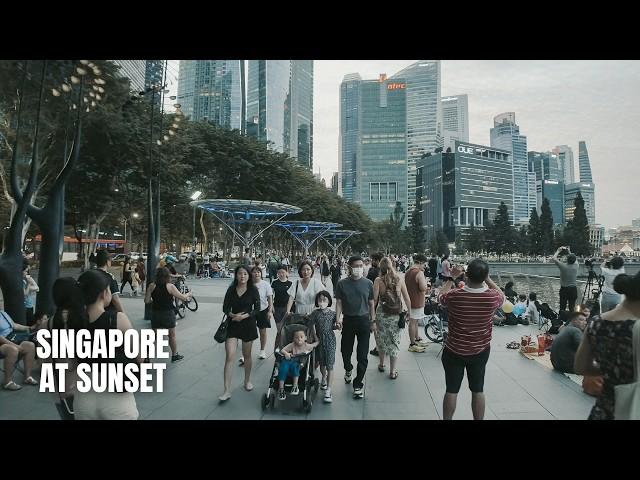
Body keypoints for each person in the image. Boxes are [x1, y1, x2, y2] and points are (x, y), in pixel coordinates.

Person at [438, 259, 505, 420]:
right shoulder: (492, 298)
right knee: (478, 390)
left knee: (451, 390)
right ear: (485, 276)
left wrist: (450, 278)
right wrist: (487, 279)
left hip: (454, 350)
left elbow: (440, 297)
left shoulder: (455, 296)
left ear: (466, 276)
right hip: (480, 351)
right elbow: (502, 296)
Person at [70, 269, 139, 420]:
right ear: (103, 293)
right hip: (116, 400)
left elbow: (70, 363)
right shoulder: (118, 319)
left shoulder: (70, 323)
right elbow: (138, 355)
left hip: (84, 399)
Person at [574, 270, 640, 419]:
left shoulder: (597, 322)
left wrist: (610, 371)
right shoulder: (636, 327)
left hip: (604, 410)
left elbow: (580, 367)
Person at [335, 255, 375, 399]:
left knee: (362, 355)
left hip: (364, 321)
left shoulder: (368, 283)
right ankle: (348, 369)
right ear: (349, 267)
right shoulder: (342, 284)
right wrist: (337, 318)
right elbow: (339, 302)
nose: (359, 268)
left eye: (361, 265)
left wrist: (373, 321)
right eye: (356, 265)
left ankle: (358, 384)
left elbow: (371, 303)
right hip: (348, 321)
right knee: (346, 350)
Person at [219, 265, 261, 401]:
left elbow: (257, 308)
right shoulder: (231, 289)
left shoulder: (253, 290)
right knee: (229, 356)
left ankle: (247, 380)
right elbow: (225, 308)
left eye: (245, 274)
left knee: (247, 355)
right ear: (235, 275)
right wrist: (232, 315)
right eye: (239, 274)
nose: (242, 276)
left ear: (249, 276)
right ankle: (226, 390)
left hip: (248, 325)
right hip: (232, 325)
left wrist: (245, 316)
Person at [372, 257, 412, 380]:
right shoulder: (399, 279)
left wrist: (372, 316)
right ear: (392, 265)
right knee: (394, 342)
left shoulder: (378, 280)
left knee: (381, 339)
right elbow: (406, 298)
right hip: (396, 315)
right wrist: (409, 312)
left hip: (382, 314)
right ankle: (393, 371)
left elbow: (374, 300)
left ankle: (381, 363)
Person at [144, 267, 191, 363]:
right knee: (172, 335)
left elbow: (147, 301)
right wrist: (189, 294)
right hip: (168, 314)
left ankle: (147, 357)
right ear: (167, 276)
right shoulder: (170, 286)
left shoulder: (152, 286)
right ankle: (174, 355)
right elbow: (182, 297)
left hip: (156, 313)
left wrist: (156, 300)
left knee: (153, 336)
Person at [0, 305, 38, 391]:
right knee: (13, 350)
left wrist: (28, 328)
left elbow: (14, 325)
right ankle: (7, 382)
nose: (0, 303)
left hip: (10, 337)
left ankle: (27, 377)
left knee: (30, 346)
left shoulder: (3, 313)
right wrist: (15, 345)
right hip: (2, 341)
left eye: (1, 300)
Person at [308, 291, 337, 403]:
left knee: (330, 364)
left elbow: (335, 325)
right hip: (319, 340)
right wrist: (315, 337)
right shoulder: (315, 313)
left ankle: (328, 391)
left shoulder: (333, 314)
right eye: (320, 300)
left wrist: (338, 326)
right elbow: (311, 325)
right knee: (321, 363)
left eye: (324, 300)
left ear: (329, 301)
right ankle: (323, 377)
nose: (322, 302)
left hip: (330, 340)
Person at [277, 329, 319, 400]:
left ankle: (295, 386)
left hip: (297, 363)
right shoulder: (292, 345)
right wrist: (286, 353)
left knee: (295, 367)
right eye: (296, 337)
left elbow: (316, 343)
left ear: (305, 338)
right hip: (288, 361)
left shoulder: (307, 346)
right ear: (293, 339)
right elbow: (282, 350)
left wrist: (314, 334)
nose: (299, 339)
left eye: (301, 337)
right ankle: (281, 389)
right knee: (282, 368)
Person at [404, 254, 430, 353]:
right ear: (420, 262)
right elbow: (423, 288)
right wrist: (427, 283)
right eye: (424, 264)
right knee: (413, 322)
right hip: (417, 300)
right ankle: (412, 344)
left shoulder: (408, 271)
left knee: (414, 322)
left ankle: (417, 338)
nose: (425, 266)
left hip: (410, 299)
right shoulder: (419, 273)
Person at [249, 266, 274, 361]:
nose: (256, 274)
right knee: (249, 332)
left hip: (263, 310)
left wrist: (270, 311)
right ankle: (246, 352)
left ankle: (262, 350)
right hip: (250, 311)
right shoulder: (248, 284)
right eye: (254, 272)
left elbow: (270, 299)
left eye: (258, 272)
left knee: (262, 331)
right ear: (251, 274)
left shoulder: (265, 284)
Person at [551, 246, 579, 312]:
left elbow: (554, 258)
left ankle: (561, 320)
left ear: (567, 259)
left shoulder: (563, 266)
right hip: (573, 289)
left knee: (562, 307)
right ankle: (571, 320)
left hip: (564, 290)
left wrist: (558, 251)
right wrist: (569, 251)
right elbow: (574, 259)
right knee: (572, 307)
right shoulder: (576, 265)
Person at [271, 266, 292, 349]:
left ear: (286, 273)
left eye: (283, 272)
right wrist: (271, 306)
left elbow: (292, 297)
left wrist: (290, 310)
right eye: (279, 272)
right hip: (277, 308)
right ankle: (277, 348)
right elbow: (270, 295)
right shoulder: (274, 283)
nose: (281, 274)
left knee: (286, 329)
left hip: (287, 309)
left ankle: (284, 348)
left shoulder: (290, 284)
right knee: (279, 329)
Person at [367, 252, 383, 356]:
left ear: (377, 260)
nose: (372, 262)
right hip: (385, 304)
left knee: (376, 327)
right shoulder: (387, 272)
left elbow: (367, 285)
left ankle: (378, 348)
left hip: (375, 302)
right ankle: (383, 347)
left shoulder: (373, 271)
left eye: (373, 260)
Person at [22, 260, 39, 326]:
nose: (27, 273)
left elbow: (37, 288)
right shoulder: (21, 281)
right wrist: (29, 284)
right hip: (26, 306)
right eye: (25, 271)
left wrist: (30, 280)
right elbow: (25, 293)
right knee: (29, 323)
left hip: (30, 304)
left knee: (31, 321)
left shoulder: (24, 280)